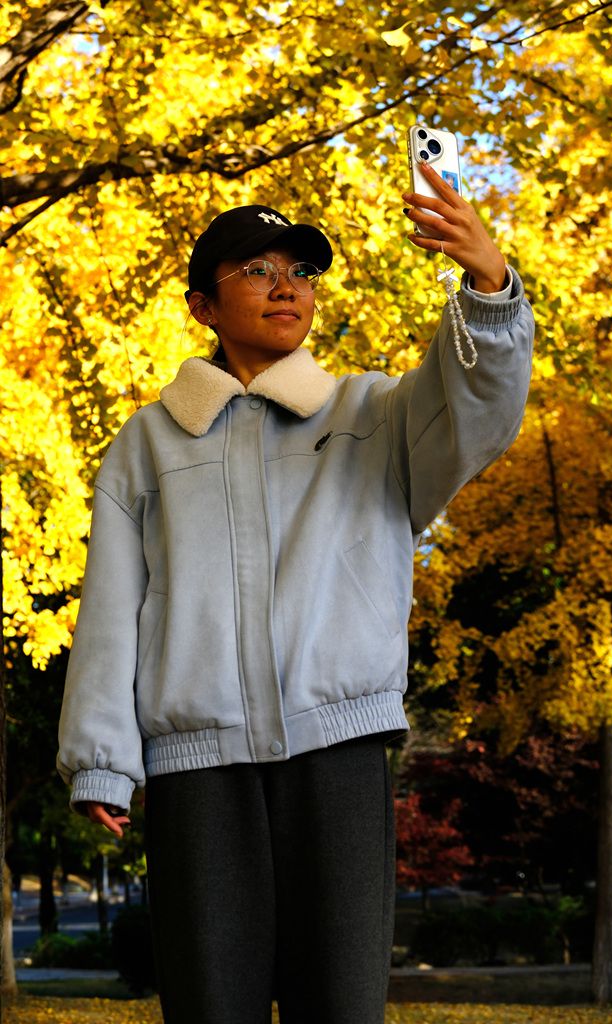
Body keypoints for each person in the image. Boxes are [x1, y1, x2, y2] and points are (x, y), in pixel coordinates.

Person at [57, 161, 534, 1024]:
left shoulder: (375, 415)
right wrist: (101, 756)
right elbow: (112, 608)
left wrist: (488, 289)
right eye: (257, 269)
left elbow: (479, 406)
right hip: (198, 773)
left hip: (339, 756)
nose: (288, 287)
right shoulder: (146, 444)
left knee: (341, 1007)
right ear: (202, 306)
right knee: (210, 1006)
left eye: (301, 271)